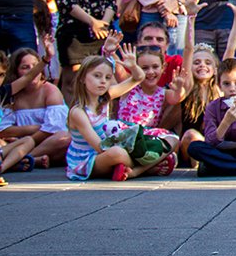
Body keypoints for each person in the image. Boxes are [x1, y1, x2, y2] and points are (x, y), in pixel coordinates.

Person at [66, 49, 174, 181]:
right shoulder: (78, 112)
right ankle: (146, 168)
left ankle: (133, 170)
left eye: (107, 77)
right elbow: (101, 147)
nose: (103, 82)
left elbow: (138, 78)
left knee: (171, 140)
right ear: (83, 78)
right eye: (97, 76)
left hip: (107, 150)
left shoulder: (104, 97)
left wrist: (133, 66)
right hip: (88, 160)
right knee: (117, 153)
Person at [0, 44, 71, 167]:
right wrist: (35, 128)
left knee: (64, 138)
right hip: (18, 142)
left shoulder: (50, 90)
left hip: (48, 143)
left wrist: (28, 141)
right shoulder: (12, 93)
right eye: (25, 67)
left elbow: (53, 129)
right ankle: (30, 160)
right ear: (16, 71)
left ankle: (20, 158)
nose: (32, 71)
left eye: (35, 66)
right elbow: (2, 130)